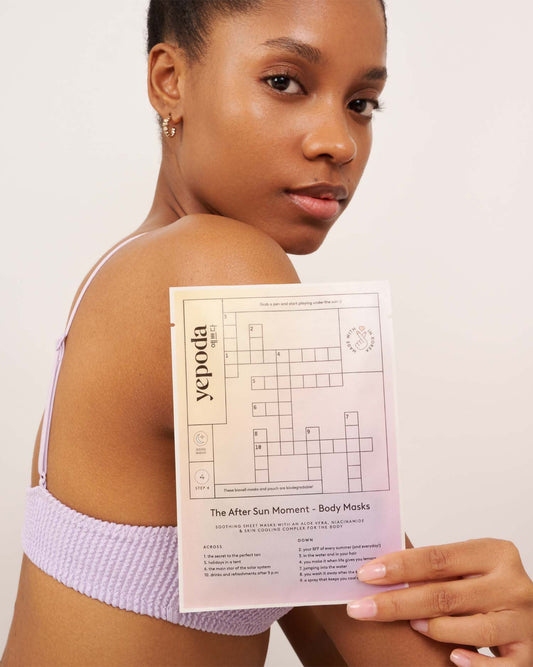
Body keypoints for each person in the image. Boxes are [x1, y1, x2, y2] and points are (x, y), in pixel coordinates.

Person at [2, 0, 532, 665]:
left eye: (361, 104)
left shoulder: (132, 270)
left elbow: (339, 637)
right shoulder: (215, 267)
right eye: (285, 82)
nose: (338, 142)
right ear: (170, 80)